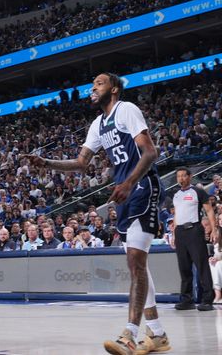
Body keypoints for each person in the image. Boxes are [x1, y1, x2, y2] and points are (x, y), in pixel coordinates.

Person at [27, 72, 168, 355]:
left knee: (135, 263)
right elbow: (81, 163)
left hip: (141, 187)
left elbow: (150, 152)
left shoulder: (126, 110)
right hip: (126, 193)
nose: (92, 88)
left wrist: (128, 182)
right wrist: (46, 163)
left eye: (99, 84)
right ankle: (158, 334)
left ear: (114, 89)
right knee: (137, 265)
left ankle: (130, 335)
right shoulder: (98, 124)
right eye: (91, 85)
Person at [169, 167, 217, 311]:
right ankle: (186, 299)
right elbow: (176, 215)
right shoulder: (176, 195)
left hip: (194, 230)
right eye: (178, 176)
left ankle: (208, 299)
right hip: (180, 232)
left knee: (201, 265)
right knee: (184, 267)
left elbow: (209, 210)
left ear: (190, 177)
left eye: (184, 176)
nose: (181, 179)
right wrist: (174, 234)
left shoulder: (198, 191)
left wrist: (214, 230)